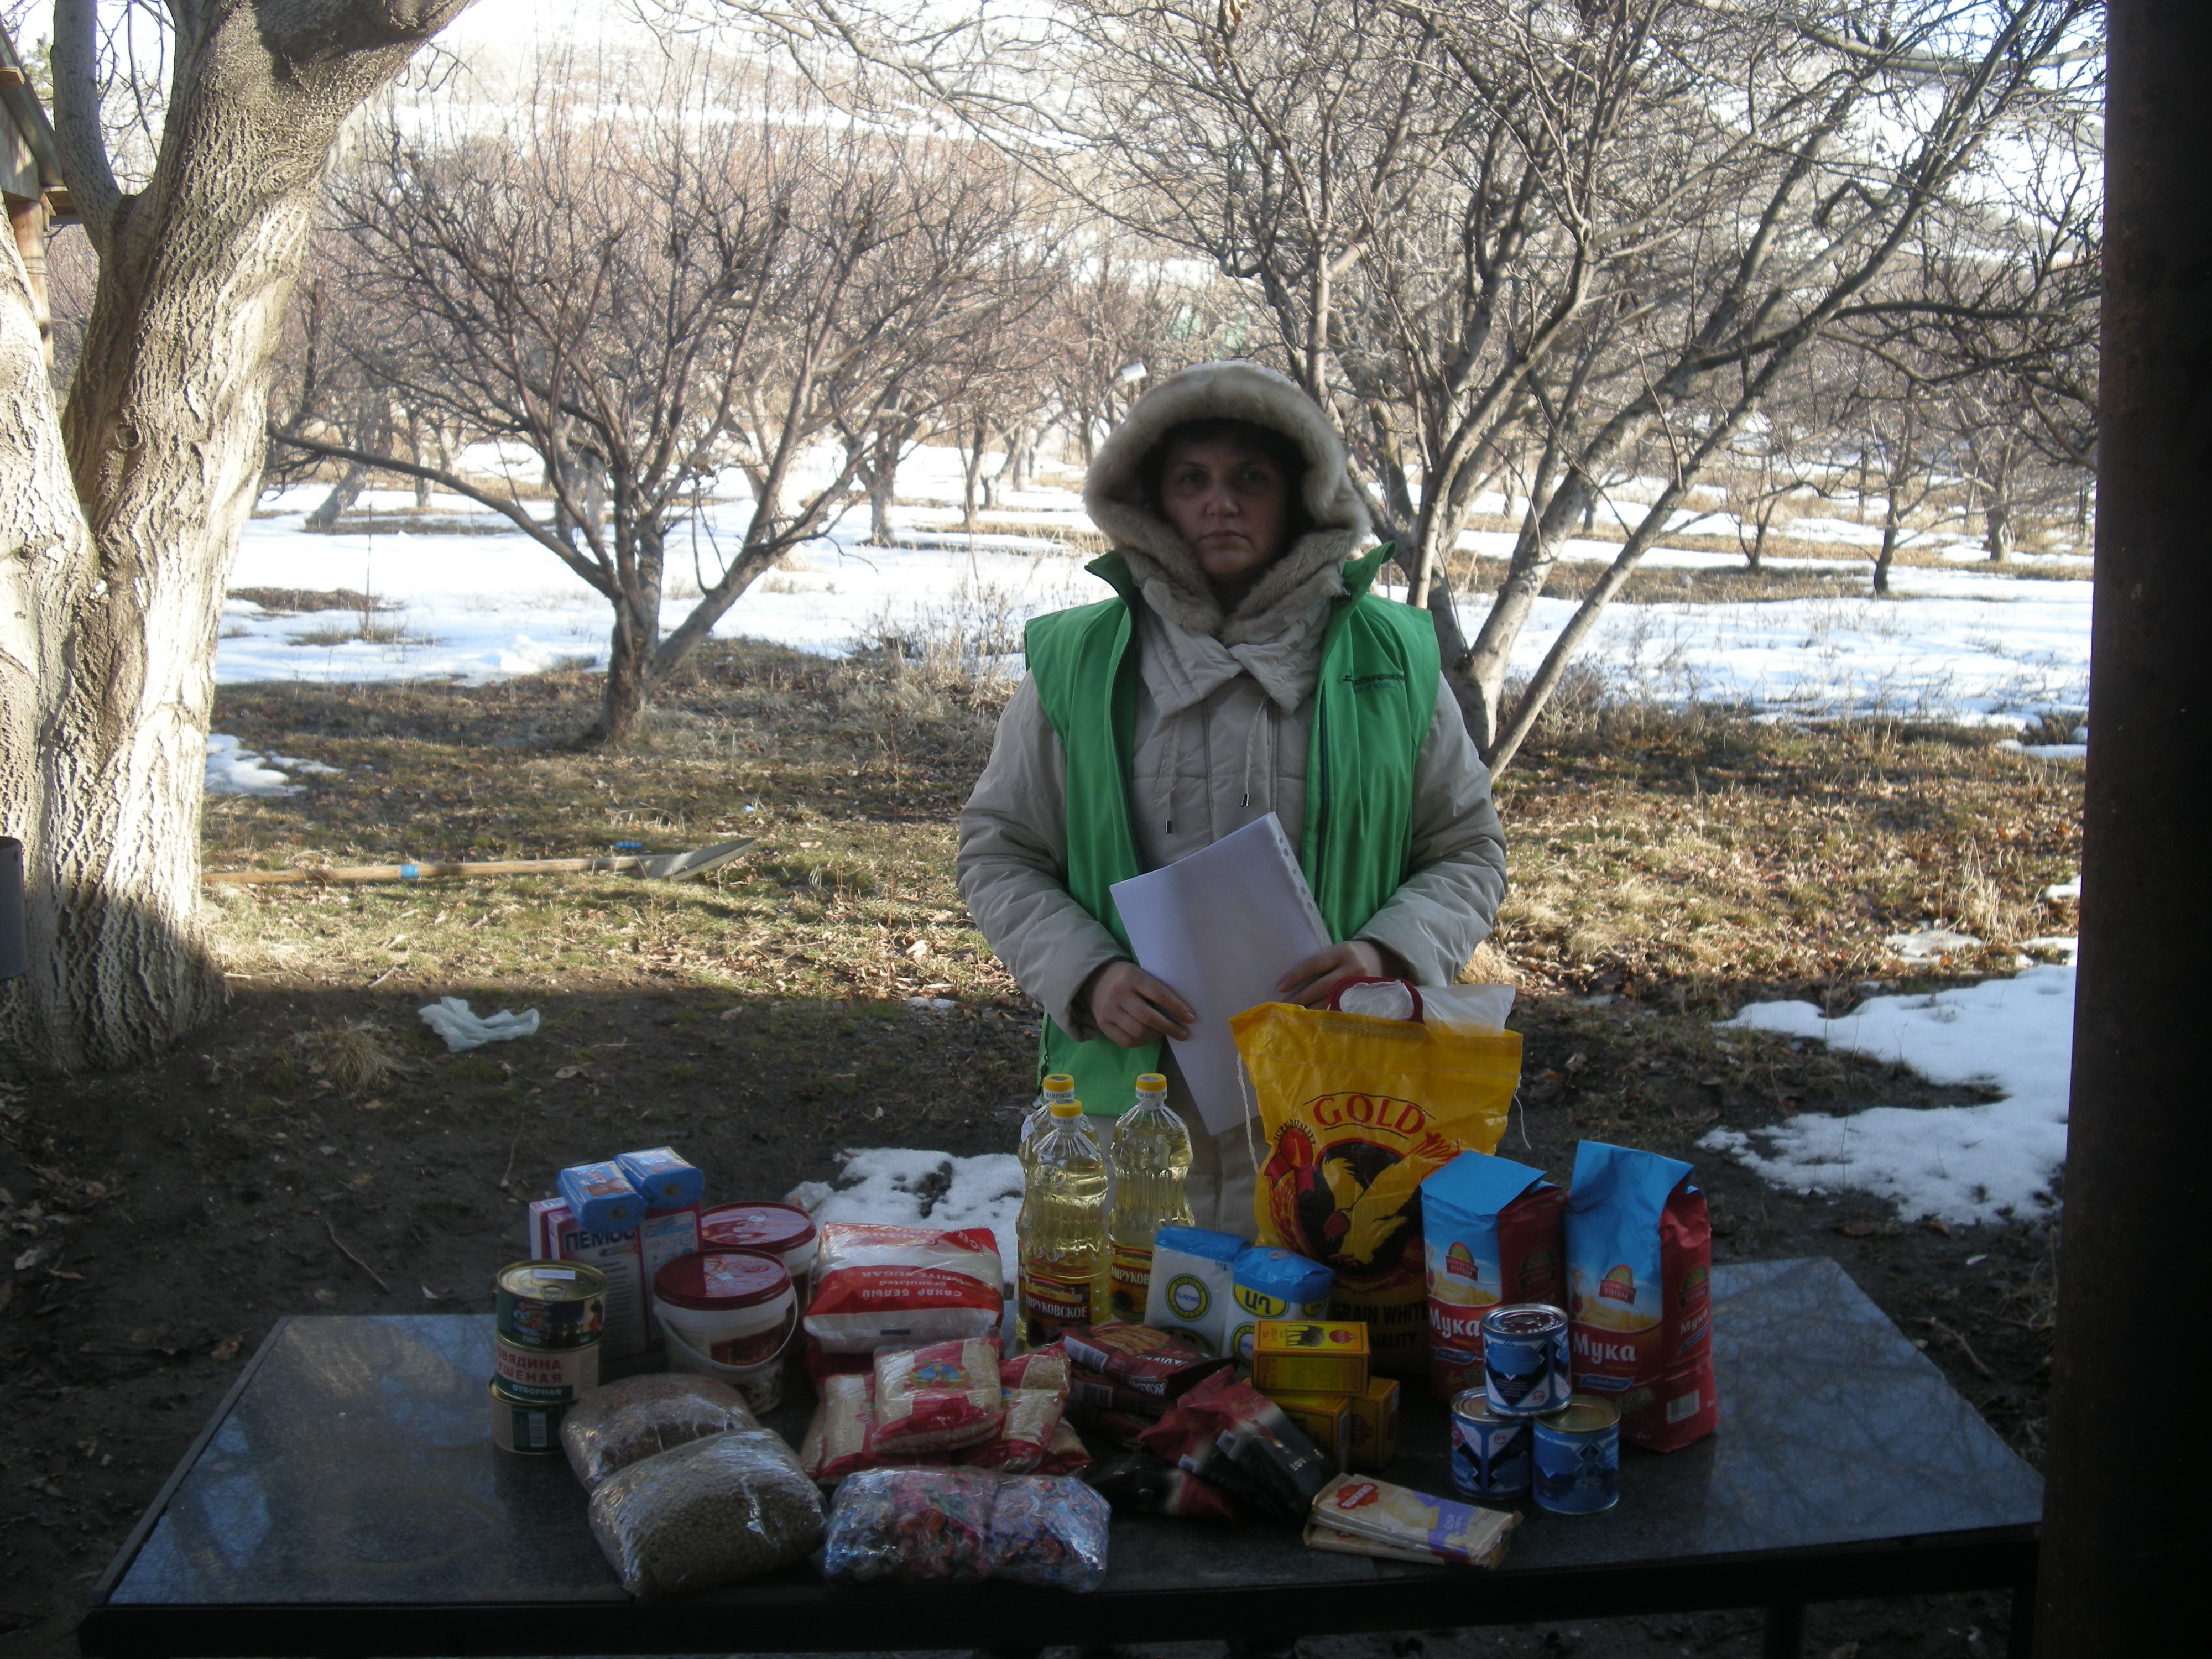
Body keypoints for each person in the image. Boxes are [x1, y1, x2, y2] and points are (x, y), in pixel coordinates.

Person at [957, 360, 1507, 1234]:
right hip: (1125, 1121)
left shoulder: (1393, 662)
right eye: (1192, 481)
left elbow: (1468, 850)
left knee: (1316, 1355)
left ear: (1301, 496)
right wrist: (1087, 975)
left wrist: (1385, 956)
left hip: (1342, 1121)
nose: (1221, 503)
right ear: (1151, 500)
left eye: (1250, 479)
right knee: (1130, 1355)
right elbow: (1000, 852)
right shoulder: (1079, 664)